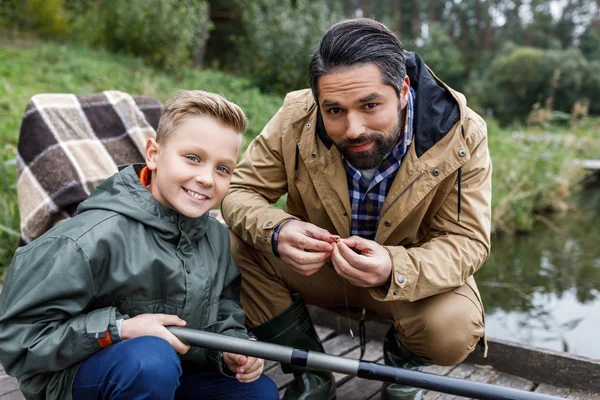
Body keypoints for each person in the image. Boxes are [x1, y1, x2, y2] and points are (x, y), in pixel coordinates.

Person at [221, 18, 491, 400]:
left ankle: (403, 367)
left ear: (402, 90)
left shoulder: (463, 133)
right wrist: (278, 230)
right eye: (334, 111)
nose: (353, 128)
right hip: (320, 267)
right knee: (232, 242)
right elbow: (240, 190)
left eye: (370, 105)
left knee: (454, 329)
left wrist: (393, 267)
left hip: (407, 284)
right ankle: (308, 369)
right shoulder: (295, 117)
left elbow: (467, 242)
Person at [0, 90, 279, 400]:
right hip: (78, 379)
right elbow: (18, 338)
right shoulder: (87, 239)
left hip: (171, 372)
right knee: (150, 362)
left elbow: (224, 315)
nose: (206, 178)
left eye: (223, 168)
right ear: (153, 154)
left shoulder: (215, 238)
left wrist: (231, 351)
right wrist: (119, 329)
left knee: (259, 393)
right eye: (193, 158)